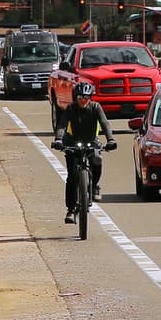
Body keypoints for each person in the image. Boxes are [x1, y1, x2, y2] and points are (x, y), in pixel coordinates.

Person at [53, 80, 115, 222]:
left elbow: (105, 123)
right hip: (72, 141)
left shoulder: (95, 107)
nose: (83, 100)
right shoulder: (70, 109)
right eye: (80, 97)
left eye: (86, 98)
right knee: (73, 175)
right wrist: (58, 140)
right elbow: (62, 124)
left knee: (97, 162)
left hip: (91, 141)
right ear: (75, 97)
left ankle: (94, 187)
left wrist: (111, 140)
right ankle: (71, 210)